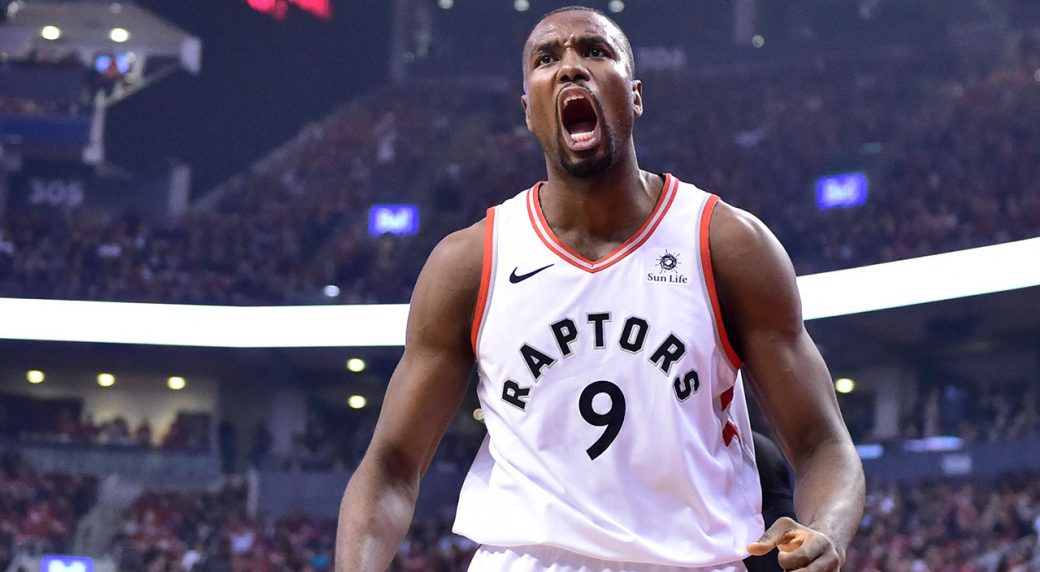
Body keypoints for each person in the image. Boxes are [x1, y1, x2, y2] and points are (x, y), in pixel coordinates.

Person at [336, 6, 864, 571]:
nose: (570, 67)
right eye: (546, 59)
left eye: (594, 51)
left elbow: (823, 444)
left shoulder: (727, 244)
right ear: (528, 111)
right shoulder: (469, 262)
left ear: (634, 95)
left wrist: (826, 530)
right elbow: (391, 466)